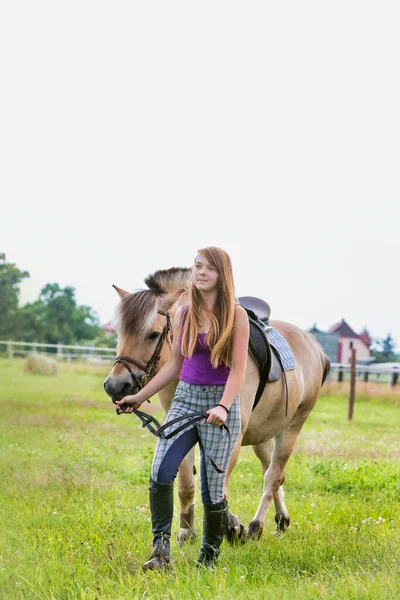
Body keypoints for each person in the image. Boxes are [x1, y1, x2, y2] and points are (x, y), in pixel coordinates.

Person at [115, 246, 249, 571]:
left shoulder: (236, 315)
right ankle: (160, 553)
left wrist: (223, 406)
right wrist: (138, 395)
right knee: (160, 472)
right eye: (197, 266)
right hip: (185, 400)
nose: (200, 272)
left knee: (212, 489)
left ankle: (209, 557)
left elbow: (239, 370)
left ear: (222, 275)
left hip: (220, 404)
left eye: (209, 268)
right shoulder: (183, 313)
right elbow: (174, 366)